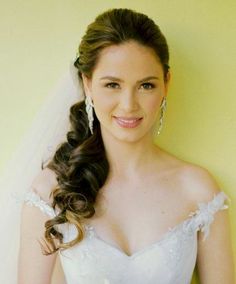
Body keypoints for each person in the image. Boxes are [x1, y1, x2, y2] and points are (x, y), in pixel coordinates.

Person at [16, 7, 234, 284]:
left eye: (146, 85)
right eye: (112, 85)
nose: (129, 105)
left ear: (166, 84)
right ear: (88, 84)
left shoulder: (198, 189)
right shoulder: (51, 192)